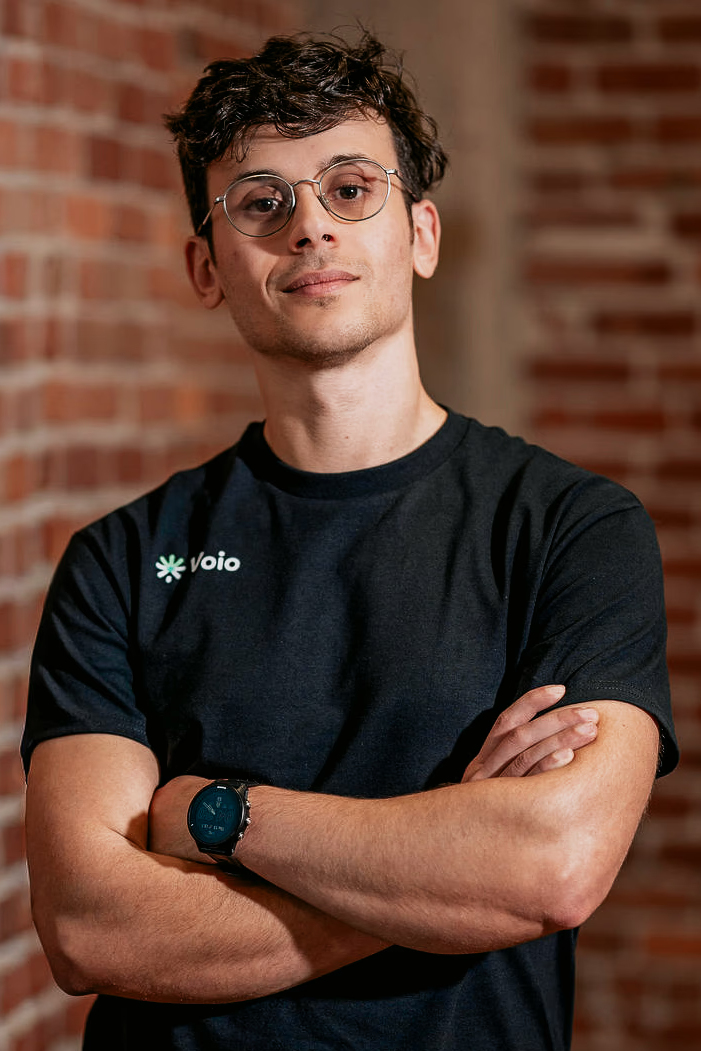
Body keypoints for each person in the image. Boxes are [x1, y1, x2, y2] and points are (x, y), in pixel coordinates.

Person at [22, 30, 677, 1051]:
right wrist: (444, 868)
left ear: (420, 233)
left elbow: (547, 867)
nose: (309, 230)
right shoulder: (121, 561)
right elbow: (90, 927)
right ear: (207, 266)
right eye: (261, 202)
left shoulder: (568, 528)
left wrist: (215, 815)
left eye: (349, 188)